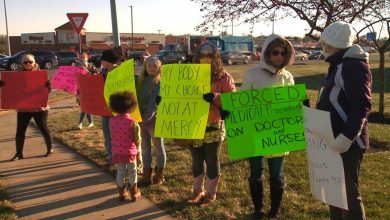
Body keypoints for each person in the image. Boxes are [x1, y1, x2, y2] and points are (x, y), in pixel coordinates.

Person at [317, 21, 371, 220]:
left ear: (336, 44)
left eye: (326, 43)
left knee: (349, 195)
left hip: (347, 142)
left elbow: (361, 106)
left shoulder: (353, 66)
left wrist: (346, 137)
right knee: (333, 193)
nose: (323, 47)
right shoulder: (337, 64)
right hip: (332, 139)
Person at [241, 34, 295, 219]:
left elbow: (291, 104)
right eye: (275, 52)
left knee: (276, 174)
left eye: (283, 53)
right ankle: (258, 209)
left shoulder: (288, 76)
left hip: (278, 133)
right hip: (255, 132)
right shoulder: (252, 74)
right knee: (255, 172)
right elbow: (242, 103)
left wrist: (299, 105)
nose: (279, 56)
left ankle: (275, 210)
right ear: (267, 53)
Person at [186, 42, 236, 206]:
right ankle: (197, 191)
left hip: (213, 124)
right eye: (202, 55)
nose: (205, 58)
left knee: (212, 160)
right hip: (193, 123)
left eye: (209, 55)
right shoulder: (189, 75)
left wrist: (216, 96)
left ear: (215, 57)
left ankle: (210, 193)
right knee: (196, 159)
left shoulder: (224, 77)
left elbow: (232, 101)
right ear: (197, 57)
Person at [0, 54, 53, 160]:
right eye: (25, 62)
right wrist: (3, 84)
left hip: (39, 108)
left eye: (30, 62)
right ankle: (19, 153)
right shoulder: (17, 75)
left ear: (34, 62)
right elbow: (11, 88)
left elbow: (47, 91)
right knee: (20, 131)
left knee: (43, 129)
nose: (28, 64)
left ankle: (50, 148)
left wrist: (48, 86)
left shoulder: (41, 74)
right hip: (23, 108)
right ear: (22, 64)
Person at [136, 56, 166, 186]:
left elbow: (154, 104)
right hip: (141, 120)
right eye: (150, 66)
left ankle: (159, 174)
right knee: (145, 147)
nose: (152, 68)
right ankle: (146, 174)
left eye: (155, 66)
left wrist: (144, 118)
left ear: (159, 68)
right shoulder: (142, 81)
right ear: (145, 68)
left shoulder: (159, 83)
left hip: (154, 120)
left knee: (158, 147)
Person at [108, 91, 142, 202]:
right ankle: (134, 192)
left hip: (117, 152)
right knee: (133, 172)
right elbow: (137, 139)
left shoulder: (112, 121)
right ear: (130, 106)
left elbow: (112, 135)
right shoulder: (133, 122)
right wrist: (139, 150)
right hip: (130, 152)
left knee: (120, 172)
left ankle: (121, 193)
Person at [100, 49, 120, 166]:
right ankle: (111, 157)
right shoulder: (102, 73)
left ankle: (118, 158)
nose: (101, 62)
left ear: (108, 61)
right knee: (107, 137)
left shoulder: (120, 72)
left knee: (117, 137)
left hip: (116, 112)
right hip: (104, 111)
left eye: (103, 60)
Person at [76, 51, 94, 129]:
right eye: (80, 58)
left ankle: (80, 123)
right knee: (85, 107)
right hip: (80, 91)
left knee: (84, 107)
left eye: (83, 57)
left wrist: (87, 71)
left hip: (89, 90)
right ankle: (91, 122)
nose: (81, 59)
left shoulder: (91, 66)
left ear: (87, 58)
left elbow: (95, 76)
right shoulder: (77, 67)